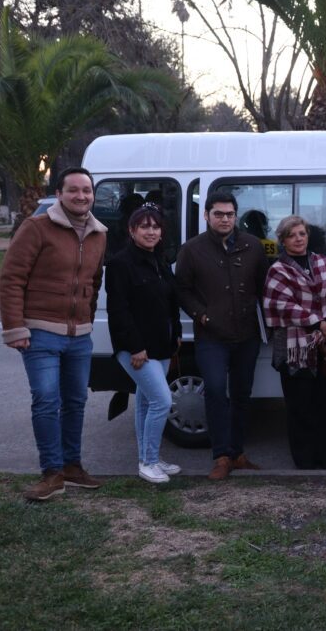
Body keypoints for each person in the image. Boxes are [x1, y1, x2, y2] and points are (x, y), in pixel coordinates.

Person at [0, 167, 107, 501]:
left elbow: (94, 281)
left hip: (80, 335)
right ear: (58, 194)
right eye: (73, 190)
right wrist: (15, 328)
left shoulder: (99, 234)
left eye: (86, 191)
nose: (81, 196)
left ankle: (72, 466)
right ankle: (52, 473)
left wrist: (87, 319)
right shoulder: (36, 228)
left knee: (75, 402)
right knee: (47, 400)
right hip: (41, 332)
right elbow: (11, 278)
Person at [175, 191, 269, 480]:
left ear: (235, 215)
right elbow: (182, 290)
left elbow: (263, 286)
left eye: (229, 214)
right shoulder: (191, 249)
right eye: (218, 214)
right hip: (211, 336)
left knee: (242, 395)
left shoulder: (253, 246)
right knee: (215, 392)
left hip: (247, 335)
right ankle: (221, 457)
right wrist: (202, 315)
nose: (225, 219)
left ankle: (238, 453)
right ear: (206, 215)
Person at [262, 215, 326, 469]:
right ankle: (305, 460)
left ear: (308, 236)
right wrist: (318, 322)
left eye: (302, 234)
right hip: (294, 349)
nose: (298, 239)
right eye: (292, 235)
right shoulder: (277, 270)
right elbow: (280, 305)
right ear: (283, 241)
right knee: (300, 408)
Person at [106, 204, 183, 484]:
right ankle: (149, 462)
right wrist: (135, 347)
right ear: (131, 230)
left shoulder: (160, 260)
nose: (151, 231)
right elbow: (119, 311)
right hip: (136, 350)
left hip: (162, 345)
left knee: (146, 402)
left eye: (155, 226)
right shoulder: (120, 263)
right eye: (144, 226)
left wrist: (175, 332)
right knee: (162, 401)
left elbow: (171, 301)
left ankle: (148, 457)